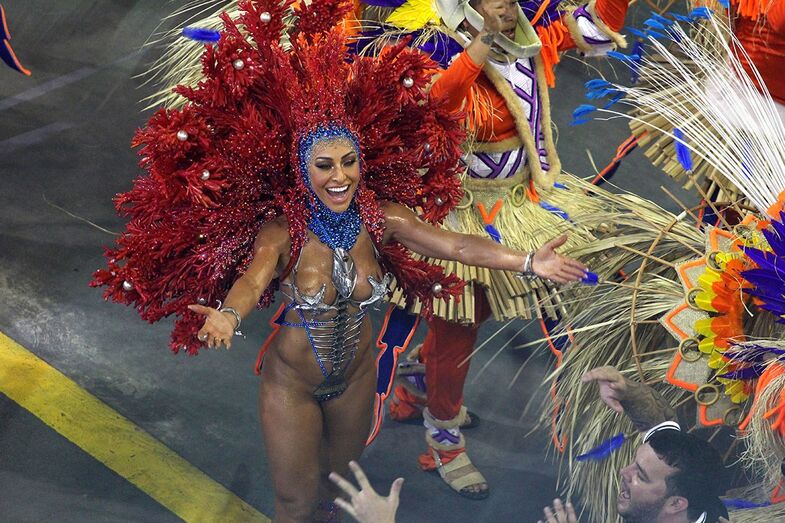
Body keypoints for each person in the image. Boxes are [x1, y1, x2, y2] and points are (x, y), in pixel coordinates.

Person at [92, 2, 590, 521]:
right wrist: (229, 316)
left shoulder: (382, 217)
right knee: (295, 502)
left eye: (349, 162)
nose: (340, 176)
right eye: (324, 165)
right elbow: (252, 277)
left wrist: (528, 260)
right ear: (301, 169)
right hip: (295, 386)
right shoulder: (284, 230)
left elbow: (456, 247)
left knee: (336, 498)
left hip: (355, 380)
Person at [364, 0, 631, 499]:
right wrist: (481, 43)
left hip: (519, 202)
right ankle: (442, 439)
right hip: (456, 210)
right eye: (495, 2)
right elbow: (436, 102)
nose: (507, 7)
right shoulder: (430, 41)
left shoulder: (530, 31)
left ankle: (425, 386)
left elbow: (594, 32)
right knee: (458, 324)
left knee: (475, 316)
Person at [329, 367, 730, 523]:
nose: (624, 472)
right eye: (634, 463)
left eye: (641, 476)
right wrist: (628, 394)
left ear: (677, 504)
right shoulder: (687, 497)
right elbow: (660, 426)